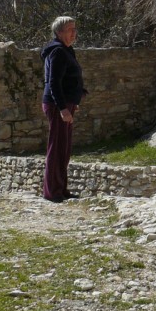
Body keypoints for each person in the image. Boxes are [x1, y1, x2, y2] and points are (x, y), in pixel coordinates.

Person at [41, 16, 87, 202]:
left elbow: (70, 79)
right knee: (57, 147)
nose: (74, 33)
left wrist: (75, 99)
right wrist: (62, 108)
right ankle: (53, 192)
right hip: (57, 104)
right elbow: (54, 82)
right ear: (59, 32)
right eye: (70, 30)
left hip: (66, 103)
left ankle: (61, 189)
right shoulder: (58, 52)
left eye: (75, 29)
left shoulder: (67, 50)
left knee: (64, 148)